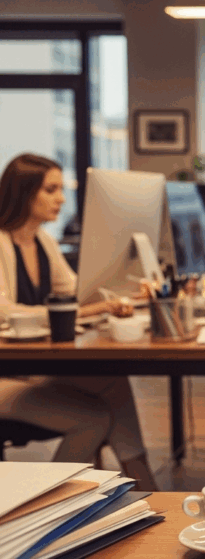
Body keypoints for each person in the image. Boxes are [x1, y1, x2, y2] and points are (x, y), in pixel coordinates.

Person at [0, 153, 157, 490]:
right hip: (5, 375)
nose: (61, 199)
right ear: (23, 192)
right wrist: (87, 310)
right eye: (51, 190)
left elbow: (77, 292)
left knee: (113, 380)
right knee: (94, 418)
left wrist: (125, 294)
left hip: (31, 366)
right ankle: (50, 501)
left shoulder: (42, 241)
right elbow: (5, 312)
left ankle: (143, 478)